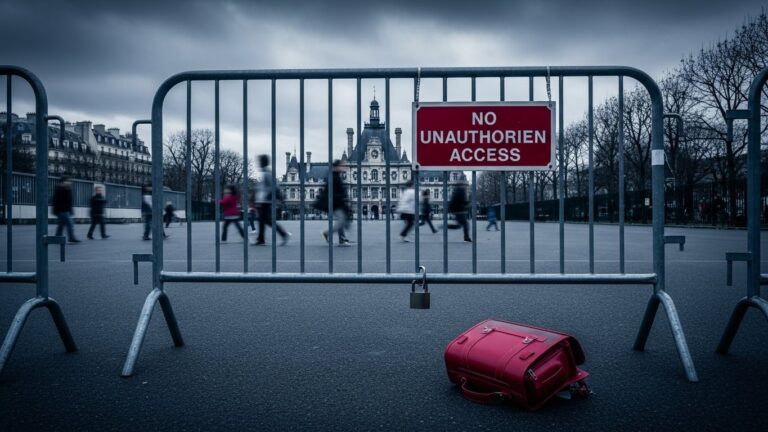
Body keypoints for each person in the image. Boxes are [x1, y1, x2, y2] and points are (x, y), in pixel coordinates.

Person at [254, 154, 290, 246]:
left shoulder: (267, 173)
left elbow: (274, 187)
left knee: (266, 221)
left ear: (263, 162)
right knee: (263, 220)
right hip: (262, 200)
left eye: (259, 161)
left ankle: (283, 234)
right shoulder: (264, 172)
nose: (258, 163)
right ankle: (260, 239)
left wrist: (280, 197)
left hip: (265, 201)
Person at [319, 160, 352, 246]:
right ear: (337, 167)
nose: (344, 167)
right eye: (342, 166)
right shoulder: (333, 177)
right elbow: (335, 192)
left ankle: (342, 239)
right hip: (333, 203)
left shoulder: (335, 175)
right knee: (341, 220)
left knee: (341, 220)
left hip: (335, 202)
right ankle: (327, 233)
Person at [53, 176, 80, 243]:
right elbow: (56, 201)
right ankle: (71, 238)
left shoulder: (66, 189)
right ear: (63, 181)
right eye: (68, 181)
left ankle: (57, 237)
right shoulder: (60, 189)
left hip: (65, 210)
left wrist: (71, 210)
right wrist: (56, 211)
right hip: (62, 210)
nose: (70, 182)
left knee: (61, 225)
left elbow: (69, 202)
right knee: (70, 224)